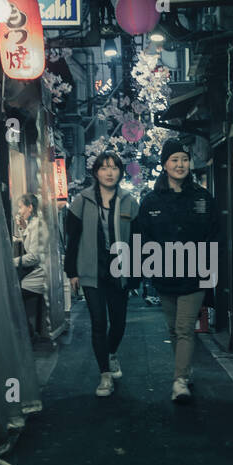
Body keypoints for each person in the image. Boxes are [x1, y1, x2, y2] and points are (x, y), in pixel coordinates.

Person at [136, 141, 221, 404]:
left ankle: (179, 381)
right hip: (164, 274)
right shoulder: (151, 201)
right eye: (174, 160)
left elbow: (214, 232)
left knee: (185, 328)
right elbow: (141, 236)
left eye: (184, 159)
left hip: (194, 273)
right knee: (173, 329)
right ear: (164, 165)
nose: (180, 164)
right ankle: (184, 370)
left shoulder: (202, 197)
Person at [64, 151, 139, 397]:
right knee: (98, 322)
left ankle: (112, 352)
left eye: (114, 168)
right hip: (91, 269)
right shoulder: (82, 200)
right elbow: (72, 240)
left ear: (120, 172)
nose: (109, 172)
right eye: (104, 167)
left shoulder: (129, 201)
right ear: (96, 172)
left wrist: (137, 272)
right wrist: (72, 271)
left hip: (120, 270)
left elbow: (138, 239)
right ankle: (104, 374)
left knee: (118, 322)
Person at [13, 192, 49, 341]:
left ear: (30, 207)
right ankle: (28, 333)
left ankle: (28, 334)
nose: (19, 211)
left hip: (40, 274)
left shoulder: (37, 225)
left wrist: (12, 262)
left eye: (21, 207)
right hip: (37, 272)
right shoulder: (33, 224)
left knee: (14, 298)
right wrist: (22, 229)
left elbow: (34, 256)